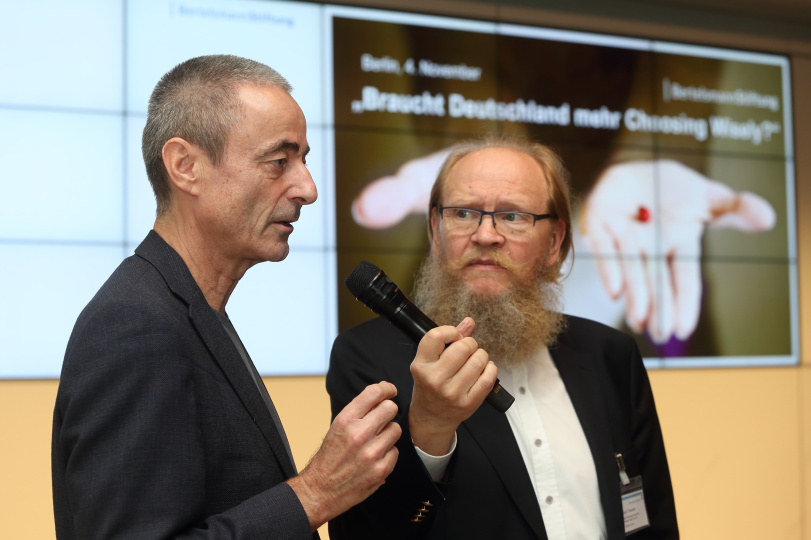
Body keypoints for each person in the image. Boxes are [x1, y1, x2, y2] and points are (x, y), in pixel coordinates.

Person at [52, 55, 401, 539]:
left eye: (303, 161)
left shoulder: (191, 308)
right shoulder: (135, 324)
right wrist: (316, 492)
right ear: (185, 166)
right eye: (279, 161)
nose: (308, 188)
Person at [327, 133, 679, 539]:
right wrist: (430, 428)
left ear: (555, 242)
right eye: (462, 213)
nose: (486, 235)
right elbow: (366, 533)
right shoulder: (367, 358)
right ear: (435, 231)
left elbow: (651, 518)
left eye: (513, 216)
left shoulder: (609, 354)